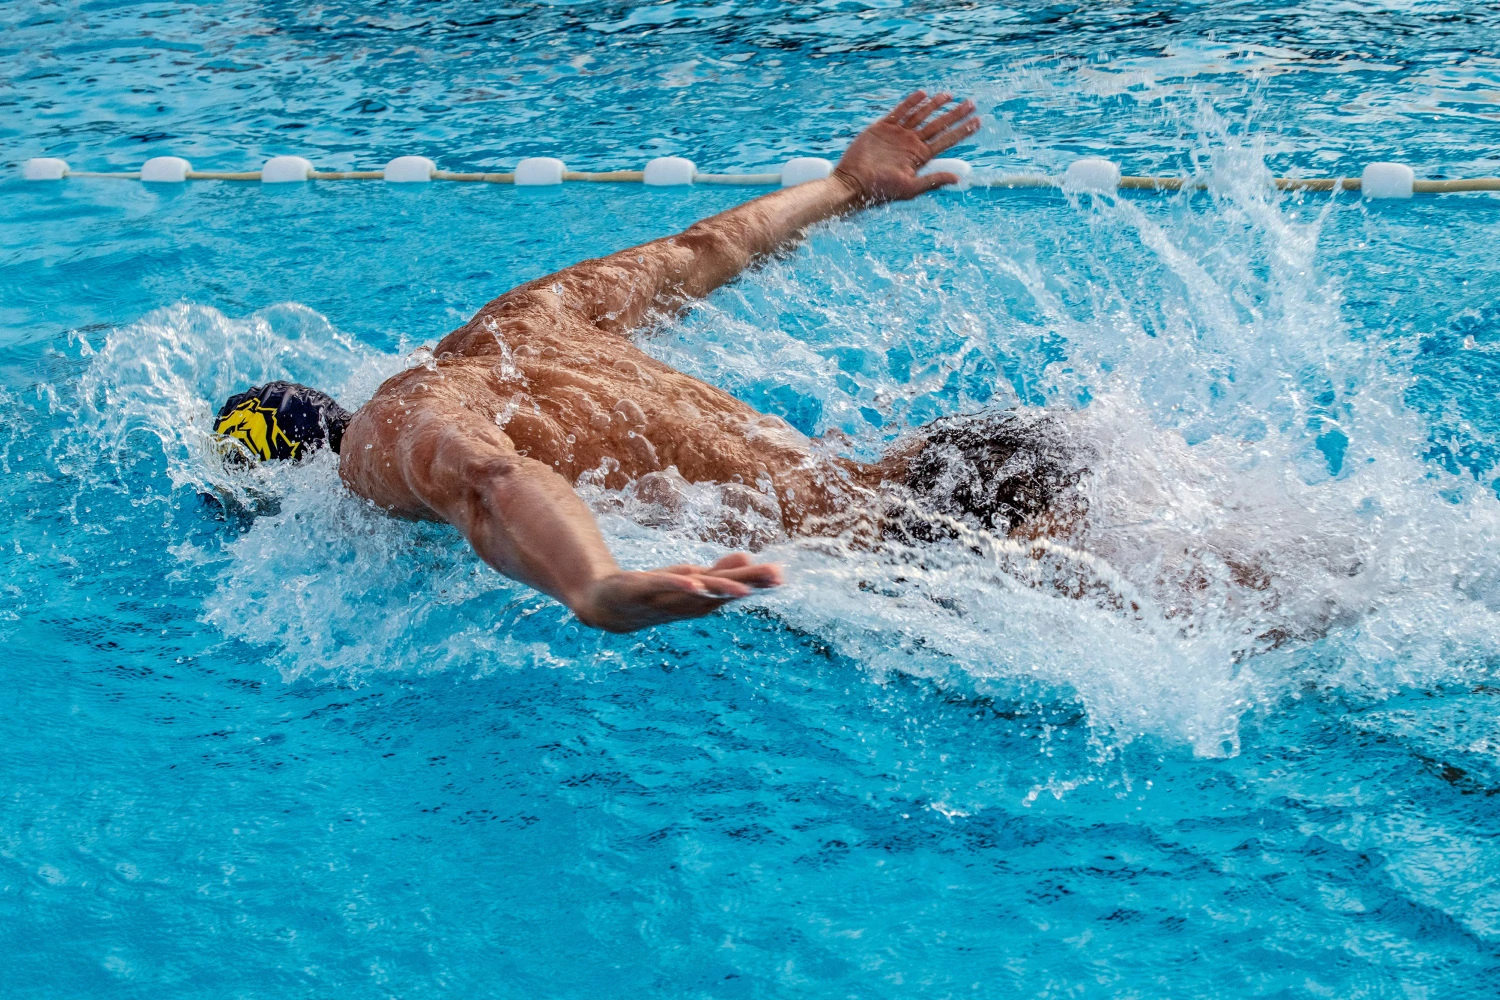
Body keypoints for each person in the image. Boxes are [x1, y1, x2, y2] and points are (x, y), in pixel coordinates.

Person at [214, 92, 1087, 632]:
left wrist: (590, 583)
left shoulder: (379, 443)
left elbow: (488, 477)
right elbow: (708, 245)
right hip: (952, 465)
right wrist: (848, 184)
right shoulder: (526, 319)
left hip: (895, 562)